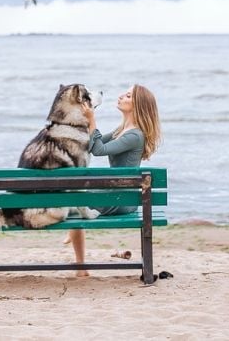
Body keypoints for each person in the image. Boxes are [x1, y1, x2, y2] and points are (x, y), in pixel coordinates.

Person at [68, 84, 162, 277]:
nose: (121, 96)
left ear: (138, 105)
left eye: (128, 96)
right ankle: (79, 263)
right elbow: (97, 142)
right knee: (73, 201)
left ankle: (80, 265)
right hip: (118, 196)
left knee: (72, 202)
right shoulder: (123, 129)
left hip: (121, 200)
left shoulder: (135, 135)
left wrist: (91, 118)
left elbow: (98, 149)